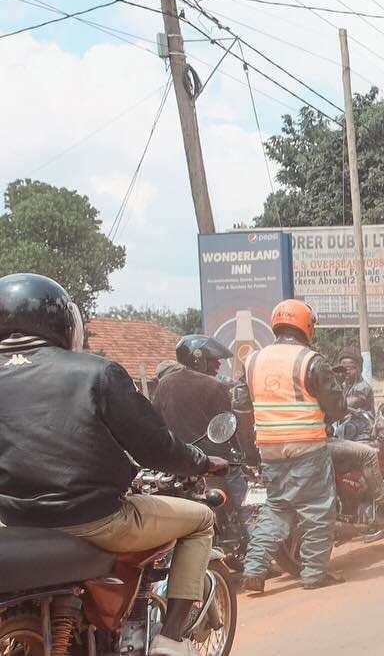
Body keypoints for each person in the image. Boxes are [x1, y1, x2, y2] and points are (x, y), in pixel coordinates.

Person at [0, 273, 227, 656]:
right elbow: (155, 447)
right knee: (201, 519)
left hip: (15, 520)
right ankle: (171, 641)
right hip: (95, 521)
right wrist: (202, 462)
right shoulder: (96, 372)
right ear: (63, 322)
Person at [240, 299, 348, 592]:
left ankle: (254, 570)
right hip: (307, 447)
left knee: (277, 508)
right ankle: (314, 574)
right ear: (306, 326)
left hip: (269, 449)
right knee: (317, 510)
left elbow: (240, 404)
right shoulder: (310, 360)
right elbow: (337, 407)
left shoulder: (252, 361)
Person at [153, 334, 260, 545]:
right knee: (247, 507)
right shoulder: (214, 386)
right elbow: (229, 427)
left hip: (178, 463)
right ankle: (258, 557)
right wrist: (247, 457)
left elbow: (157, 425)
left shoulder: (163, 386)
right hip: (213, 461)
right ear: (198, 358)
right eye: (213, 359)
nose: (218, 364)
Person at [337, 347, 375, 413]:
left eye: (350, 368)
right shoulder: (342, 386)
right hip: (343, 422)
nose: (347, 371)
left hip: (361, 422)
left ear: (359, 368)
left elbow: (349, 403)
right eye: (343, 368)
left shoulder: (363, 387)